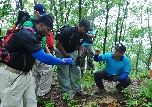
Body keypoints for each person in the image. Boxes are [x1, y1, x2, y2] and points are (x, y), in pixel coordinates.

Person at [0, 14, 73, 107]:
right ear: (41, 25)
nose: (48, 33)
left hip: (26, 75)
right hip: (13, 76)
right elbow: (43, 58)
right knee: (12, 104)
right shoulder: (27, 35)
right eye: (48, 29)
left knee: (31, 102)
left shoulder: (34, 36)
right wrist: (63, 61)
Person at [56, 18, 92, 99]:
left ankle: (78, 89)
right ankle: (68, 93)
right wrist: (66, 55)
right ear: (81, 26)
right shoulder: (68, 32)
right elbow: (58, 44)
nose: (87, 31)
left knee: (76, 70)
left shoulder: (83, 34)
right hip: (62, 51)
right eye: (86, 29)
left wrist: (79, 56)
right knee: (64, 72)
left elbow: (80, 45)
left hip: (72, 52)